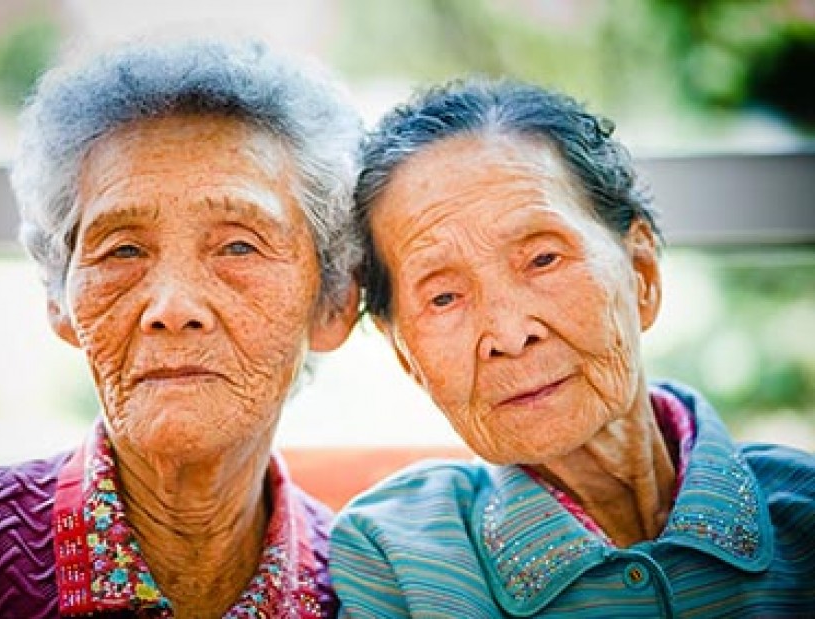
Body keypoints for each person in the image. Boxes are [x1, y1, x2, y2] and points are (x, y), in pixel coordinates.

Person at [0, 37, 361, 618]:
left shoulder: (372, 592)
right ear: (61, 301)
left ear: (333, 303)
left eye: (239, 245)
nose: (172, 305)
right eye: (123, 249)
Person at [329, 78, 815, 617]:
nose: (510, 336)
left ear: (641, 274)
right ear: (404, 355)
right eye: (444, 297)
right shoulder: (400, 557)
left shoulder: (804, 512)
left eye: (543, 260)